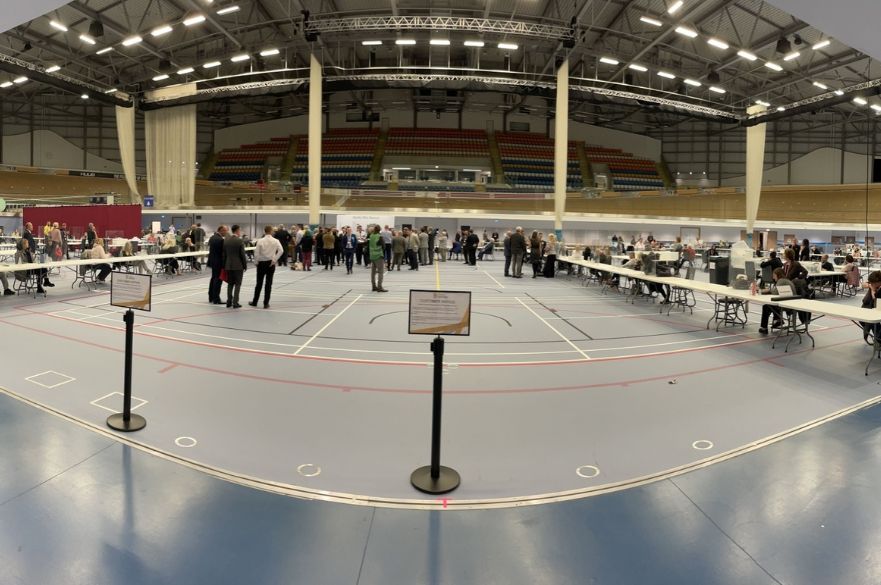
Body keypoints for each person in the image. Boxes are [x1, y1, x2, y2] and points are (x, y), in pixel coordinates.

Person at [250, 225, 283, 309]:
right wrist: (274, 259)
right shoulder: (276, 241)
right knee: (268, 284)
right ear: (271, 231)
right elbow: (281, 251)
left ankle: (255, 302)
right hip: (271, 264)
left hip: (261, 264)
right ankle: (266, 303)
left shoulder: (260, 241)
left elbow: (256, 253)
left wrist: (256, 262)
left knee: (259, 283)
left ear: (264, 231)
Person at [758, 267, 794, 335]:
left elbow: (775, 292)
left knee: (766, 307)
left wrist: (766, 290)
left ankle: (764, 328)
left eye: (774, 275)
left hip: (787, 304)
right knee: (772, 305)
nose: (773, 277)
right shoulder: (786, 280)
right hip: (789, 301)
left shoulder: (781, 281)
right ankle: (778, 320)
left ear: (778, 275)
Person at [21, 222, 53, 288]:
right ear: (28, 227)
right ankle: (41, 285)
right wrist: (31, 252)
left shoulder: (27, 233)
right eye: (31, 225)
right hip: (29, 264)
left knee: (43, 266)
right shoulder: (26, 233)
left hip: (31, 255)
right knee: (42, 268)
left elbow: (30, 243)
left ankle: (45, 282)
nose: (32, 226)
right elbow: (29, 244)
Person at [223, 225, 247, 308]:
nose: (240, 232)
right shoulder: (239, 241)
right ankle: (235, 302)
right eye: (240, 230)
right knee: (237, 284)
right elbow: (242, 255)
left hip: (228, 265)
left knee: (230, 284)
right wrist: (245, 265)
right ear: (237, 230)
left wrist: (225, 265)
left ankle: (229, 301)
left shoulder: (226, 240)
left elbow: (224, 255)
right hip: (238, 266)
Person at [206, 225, 228, 304]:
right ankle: (216, 299)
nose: (226, 232)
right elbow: (222, 253)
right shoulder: (220, 240)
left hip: (213, 262)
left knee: (213, 279)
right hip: (218, 263)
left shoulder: (212, 237)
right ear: (221, 230)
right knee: (218, 280)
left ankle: (211, 297)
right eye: (225, 231)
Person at [860, 270, 881, 343]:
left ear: (878, 282)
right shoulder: (873, 284)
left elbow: (875, 298)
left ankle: (878, 339)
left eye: (872, 283)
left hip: (877, 307)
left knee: (873, 323)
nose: (871, 284)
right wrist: (870, 285)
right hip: (869, 306)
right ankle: (877, 337)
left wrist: (872, 289)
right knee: (862, 320)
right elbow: (863, 284)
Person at [368, 225, 387, 292]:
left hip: (372, 256)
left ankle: (373, 286)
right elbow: (384, 247)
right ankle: (380, 287)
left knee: (373, 272)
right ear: (380, 230)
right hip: (379, 256)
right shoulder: (380, 237)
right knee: (380, 272)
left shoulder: (371, 236)